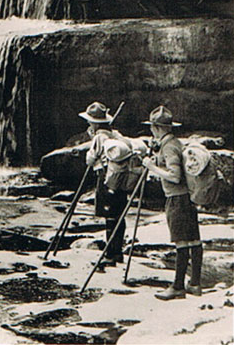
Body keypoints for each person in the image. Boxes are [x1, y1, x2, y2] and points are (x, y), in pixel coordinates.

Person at [141, 105, 203, 300]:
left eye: (152, 127)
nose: (151, 130)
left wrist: (151, 167)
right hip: (187, 197)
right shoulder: (175, 143)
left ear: (156, 127)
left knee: (181, 241)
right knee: (194, 239)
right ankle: (194, 284)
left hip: (177, 198)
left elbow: (174, 176)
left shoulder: (169, 147)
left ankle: (178, 287)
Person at [78, 101, 126, 266]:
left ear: (94, 123)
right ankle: (117, 251)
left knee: (109, 216)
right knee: (118, 214)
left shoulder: (99, 137)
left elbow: (90, 159)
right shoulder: (116, 135)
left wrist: (93, 141)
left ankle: (110, 253)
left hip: (106, 177)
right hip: (119, 178)